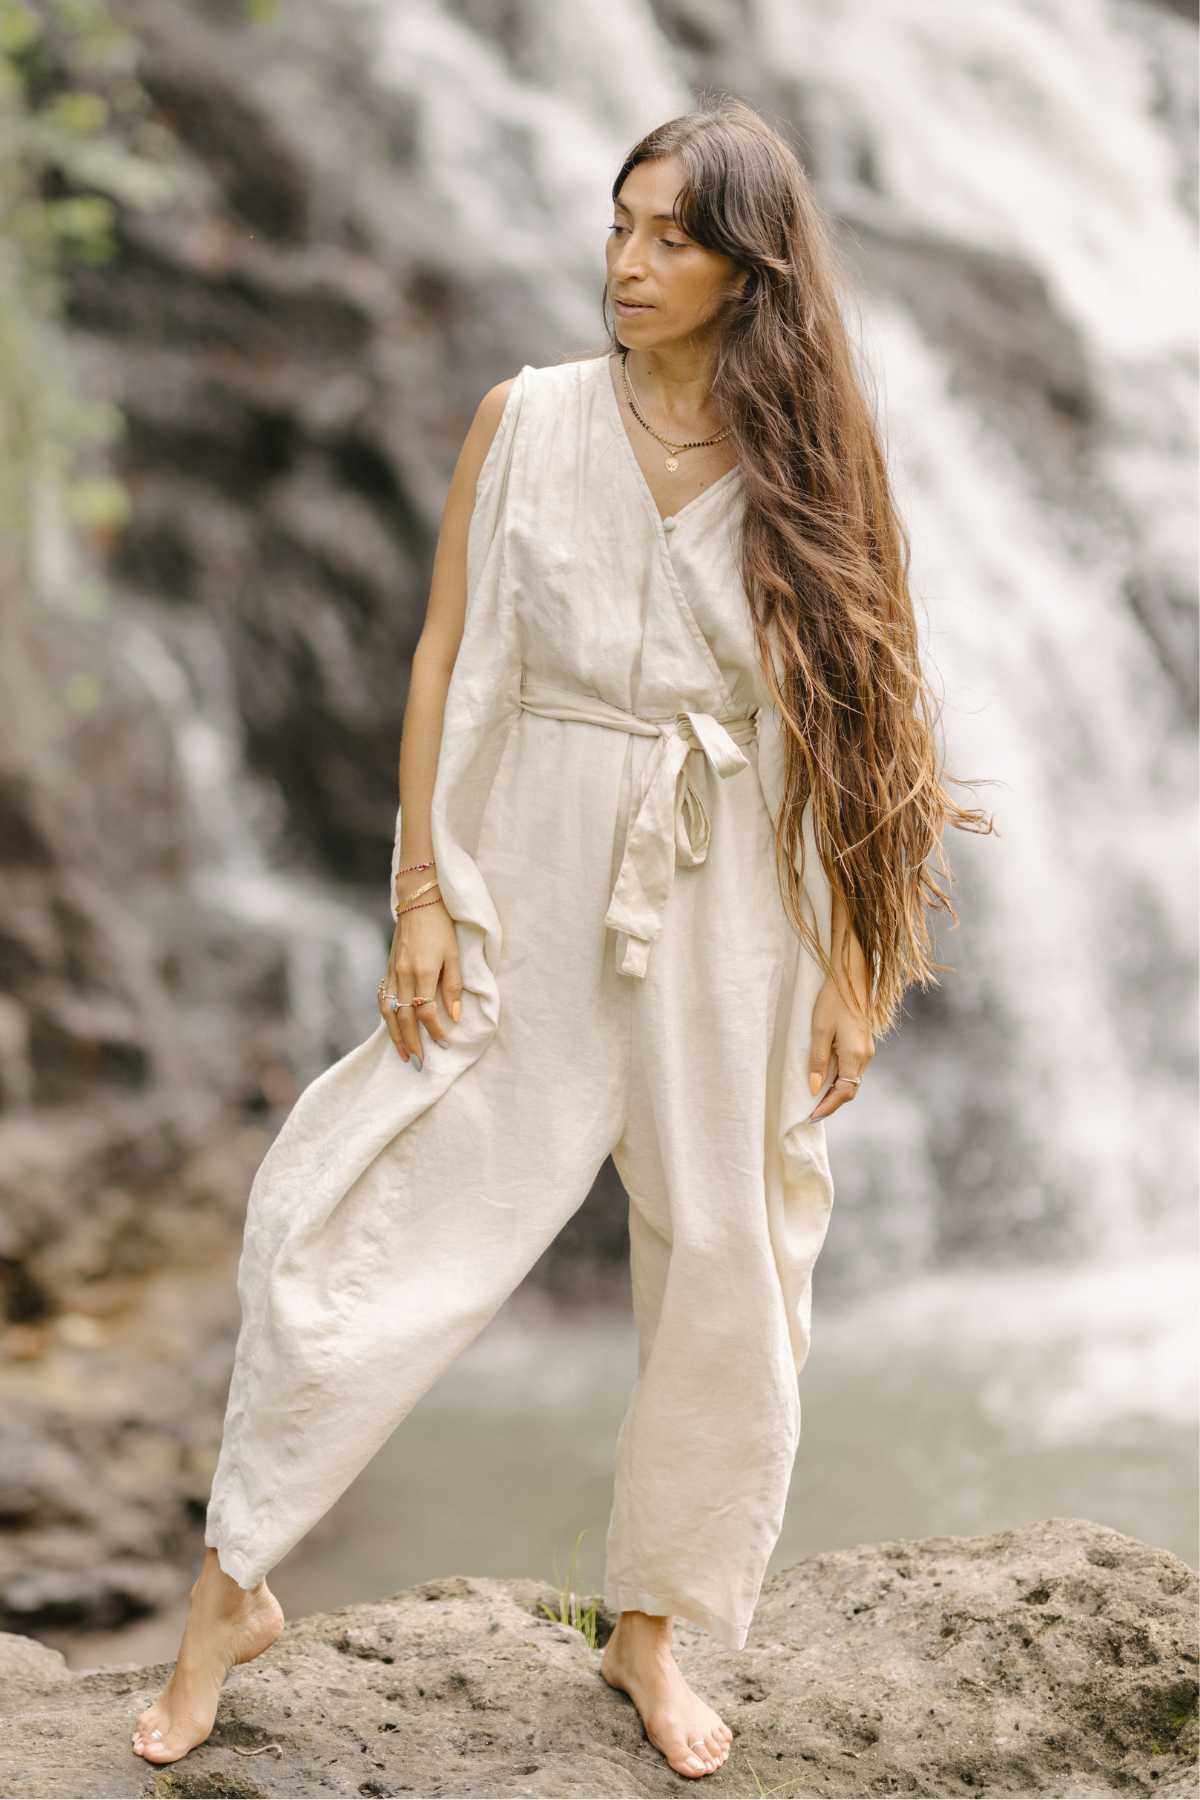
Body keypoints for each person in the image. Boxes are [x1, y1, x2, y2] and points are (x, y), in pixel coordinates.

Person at [129, 98, 991, 1779]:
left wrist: (854, 963)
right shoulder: (523, 419)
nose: (630, 261)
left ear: (754, 270)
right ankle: (229, 1588)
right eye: (621, 225)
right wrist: (423, 893)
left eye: (674, 237)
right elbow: (452, 657)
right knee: (367, 1211)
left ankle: (650, 1638)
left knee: (729, 1267)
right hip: (524, 866)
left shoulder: (811, 460)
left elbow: (864, 719)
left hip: (734, 881)